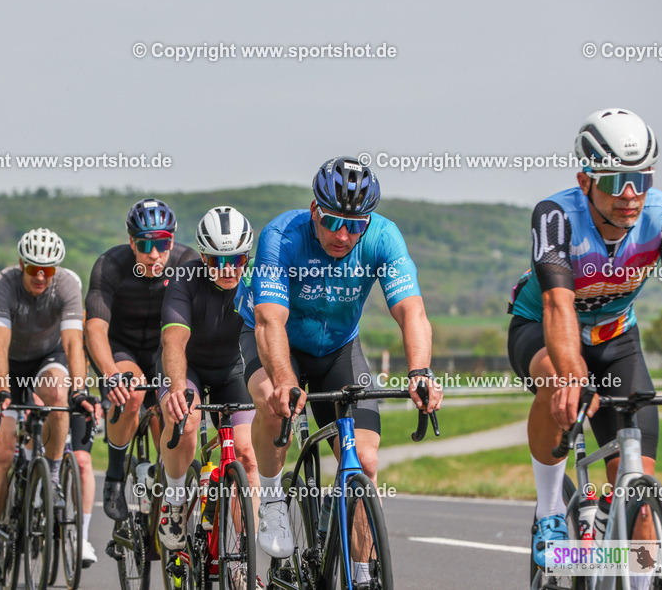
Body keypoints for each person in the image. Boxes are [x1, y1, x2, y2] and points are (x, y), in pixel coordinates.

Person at [237, 157, 441, 580]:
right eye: (332, 222)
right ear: (315, 210)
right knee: (273, 400)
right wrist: (286, 381)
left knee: (364, 461)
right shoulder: (282, 235)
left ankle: (362, 573)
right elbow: (270, 321)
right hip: (277, 342)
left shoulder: (383, 237)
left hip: (338, 349)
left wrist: (420, 371)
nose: (343, 236)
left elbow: (412, 311)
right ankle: (272, 501)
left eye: (355, 226)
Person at [507, 109, 662, 569]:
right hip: (543, 330)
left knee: (639, 499)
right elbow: (557, 304)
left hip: (617, 338)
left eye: (640, 179)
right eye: (616, 180)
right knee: (556, 381)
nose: (629, 195)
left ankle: (625, 555)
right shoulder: (556, 215)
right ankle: (549, 511)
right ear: (585, 180)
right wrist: (570, 376)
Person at [0, 228, 95, 583]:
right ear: (21, 265)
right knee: (1, 451)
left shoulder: (67, 284)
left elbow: (73, 343)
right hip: (8, 365)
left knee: (59, 395)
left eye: (48, 269)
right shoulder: (4, 284)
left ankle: (54, 474)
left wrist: (79, 390)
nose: (41, 276)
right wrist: (1, 390)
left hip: (48, 357)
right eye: (33, 269)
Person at [84, 198, 198, 521]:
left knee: (173, 415)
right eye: (145, 245)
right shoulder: (110, 265)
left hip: (164, 350)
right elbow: (95, 328)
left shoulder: (187, 262)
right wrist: (109, 372)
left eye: (162, 243)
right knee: (131, 393)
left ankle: (167, 498)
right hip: (122, 348)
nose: (154, 254)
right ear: (132, 242)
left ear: (172, 241)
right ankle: (115, 476)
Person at [156, 206, 259, 551]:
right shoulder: (185, 279)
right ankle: (173, 500)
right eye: (217, 261)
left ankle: (244, 557)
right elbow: (174, 339)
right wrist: (176, 387)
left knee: (247, 454)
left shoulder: (256, 279)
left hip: (232, 369)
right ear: (203, 256)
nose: (228, 269)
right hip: (187, 367)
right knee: (185, 419)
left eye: (238, 259)